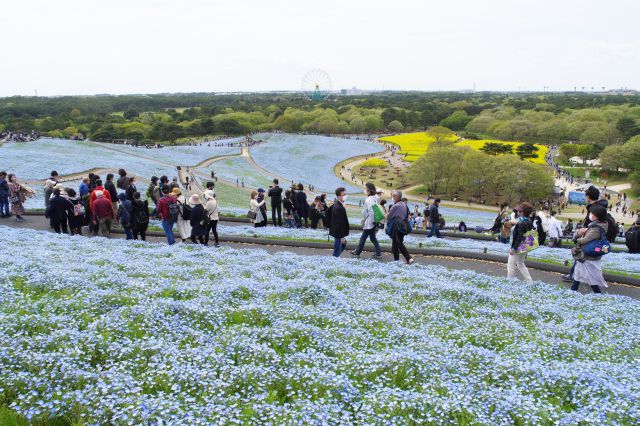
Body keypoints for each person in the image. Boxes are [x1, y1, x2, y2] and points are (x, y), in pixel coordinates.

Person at [562, 186, 608, 282]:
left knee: (582, 255)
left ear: (588, 197)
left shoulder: (595, 208)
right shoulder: (599, 206)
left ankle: (575, 276)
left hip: (591, 235)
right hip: (592, 234)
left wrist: (584, 231)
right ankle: (577, 275)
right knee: (585, 257)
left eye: (586, 195)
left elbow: (595, 223)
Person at [571, 204, 609, 294]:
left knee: (589, 276)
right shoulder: (600, 225)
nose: (590, 214)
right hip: (589, 255)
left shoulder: (596, 228)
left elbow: (585, 240)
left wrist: (578, 234)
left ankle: (597, 294)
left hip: (588, 255)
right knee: (579, 273)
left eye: (592, 213)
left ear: (597, 215)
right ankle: (573, 290)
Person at [350, 182, 382, 258]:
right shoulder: (374, 198)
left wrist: (371, 221)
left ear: (369, 190)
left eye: (366, 189)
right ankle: (378, 253)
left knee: (363, 238)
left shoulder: (368, 200)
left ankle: (357, 252)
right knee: (373, 238)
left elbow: (370, 212)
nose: (364, 190)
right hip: (372, 221)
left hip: (369, 222)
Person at [507, 202, 534, 283]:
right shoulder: (528, 221)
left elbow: (518, 237)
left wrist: (513, 248)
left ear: (522, 212)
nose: (518, 213)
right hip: (525, 246)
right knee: (520, 264)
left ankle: (509, 282)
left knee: (511, 265)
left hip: (517, 246)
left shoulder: (521, 223)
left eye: (519, 211)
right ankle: (530, 282)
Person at [386, 190, 414, 265]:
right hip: (403, 226)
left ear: (395, 197)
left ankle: (408, 258)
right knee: (395, 244)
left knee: (398, 243)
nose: (392, 197)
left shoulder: (395, 206)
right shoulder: (404, 204)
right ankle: (397, 261)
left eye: (393, 195)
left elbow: (388, 217)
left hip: (396, 226)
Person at [328, 187, 349, 257]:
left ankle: (336, 259)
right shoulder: (338, 207)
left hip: (337, 231)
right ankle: (335, 260)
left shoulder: (339, 204)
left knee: (342, 245)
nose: (346, 196)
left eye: (346, 194)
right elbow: (339, 223)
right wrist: (342, 236)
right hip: (338, 232)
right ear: (338, 196)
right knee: (338, 247)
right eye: (344, 194)